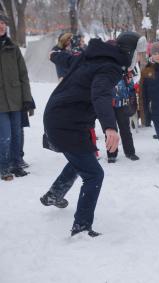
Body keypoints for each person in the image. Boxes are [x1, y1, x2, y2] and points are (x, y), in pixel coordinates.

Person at [40, 32, 140, 236]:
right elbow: (100, 94)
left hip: (63, 116)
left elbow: (69, 59)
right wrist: (110, 127)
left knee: (85, 157)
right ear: (129, 52)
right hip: (66, 122)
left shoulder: (93, 56)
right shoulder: (110, 67)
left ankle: (55, 194)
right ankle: (82, 226)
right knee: (94, 174)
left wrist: (54, 55)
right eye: (137, 53)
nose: (138, 58)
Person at [0, 12, 34, 181]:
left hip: (16, 99)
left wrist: (27, 98)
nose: (1, 25)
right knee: (4, 136)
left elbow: (23, 75)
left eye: (2, 23)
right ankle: (4, 167)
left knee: (16, 135)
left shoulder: (13, 48)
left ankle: (16, 164)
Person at [107, 69, 140, 163]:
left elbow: (132, 88)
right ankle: (111, 154)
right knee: (110, 130)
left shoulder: (125, 72)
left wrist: (132, 101)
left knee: (125, 129)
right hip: (108, 106)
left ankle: (130, 152)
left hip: (122, 106)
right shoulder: (103, 71)